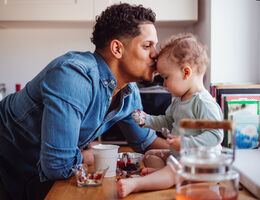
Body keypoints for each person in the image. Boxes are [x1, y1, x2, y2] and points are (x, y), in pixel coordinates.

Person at [0, 3, 169, 200]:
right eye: (147, 45)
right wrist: (92, 155)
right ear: (117, 49)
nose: (156, 54)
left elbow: (145, 141)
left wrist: (196, 153)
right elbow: (57, 165)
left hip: (35, 172)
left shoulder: (129, 91)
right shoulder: (73, 76)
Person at [117, 33, 224, 198]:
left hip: (205, 165)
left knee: (175, 167)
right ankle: (165, 177)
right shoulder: (179, 100)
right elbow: (167, 121)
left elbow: (216, 135)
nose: (164, 84)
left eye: (166, 78)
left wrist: (187, 143)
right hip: (182, 158)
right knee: (151, 155)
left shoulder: (203, 102)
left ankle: (138, 184)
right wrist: (147, 120)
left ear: (186, 72)